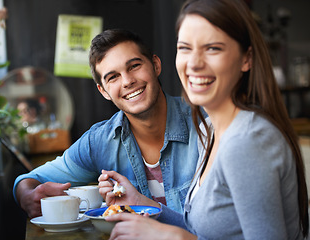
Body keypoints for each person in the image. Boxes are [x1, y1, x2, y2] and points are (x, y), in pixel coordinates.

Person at [98, 0, 309, 239]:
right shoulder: (208, 130)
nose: (195, 63)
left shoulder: (248, 141)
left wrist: (174, 238)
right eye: (185, 48)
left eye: (213, 48)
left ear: (246, 59)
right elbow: (202, 230)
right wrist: (140, 201)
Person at [13, 29, 200, 218]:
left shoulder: (206, 124)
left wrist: (140, 203)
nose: (127, 81)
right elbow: (30, 180)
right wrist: (27, 195)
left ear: (156, 65)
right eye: (113, 77)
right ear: (103, 91)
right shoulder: (100, 142)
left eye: (134, 66)